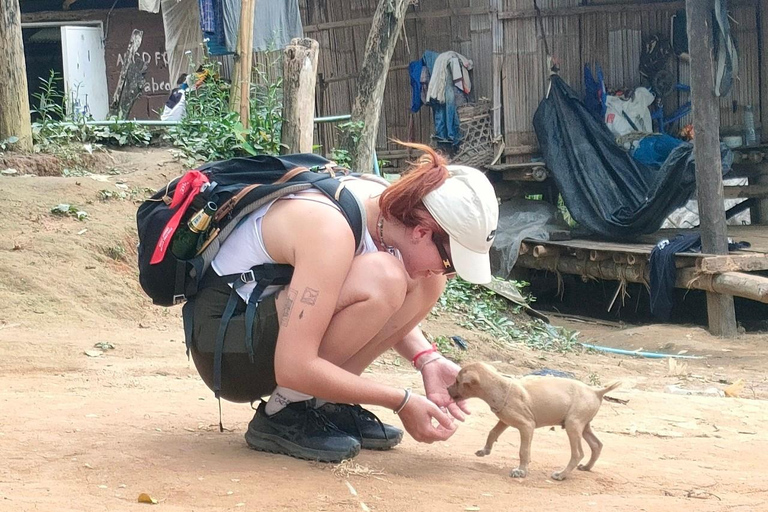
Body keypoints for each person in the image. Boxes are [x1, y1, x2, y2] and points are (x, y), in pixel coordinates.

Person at [187, 143, 499, 462]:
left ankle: (324, 404)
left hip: (268, 324)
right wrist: (401, 401)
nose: (446, 274)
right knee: (386, 275)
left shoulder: (384, 209)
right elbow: (294, 366)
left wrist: (428, 359)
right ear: (421, 231)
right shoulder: (329, 229)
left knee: (421, 281)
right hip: (227, 349)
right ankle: (285, 412)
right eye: (450, 264)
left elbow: (363, 299)